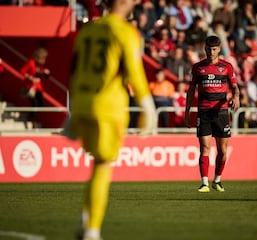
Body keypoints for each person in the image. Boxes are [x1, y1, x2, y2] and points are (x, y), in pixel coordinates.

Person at [64, 0, 156, 239]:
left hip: (83, 102)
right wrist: (147, 106)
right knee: (103, 166)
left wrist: (73, 110)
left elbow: (74, 71)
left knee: (96, 164)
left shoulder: (88, 30)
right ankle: (92, 230)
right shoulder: (126, 32)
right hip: (108, 107)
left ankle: (85, 220)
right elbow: (135, 71)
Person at [184, 35, 240, 193]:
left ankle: (217, 179)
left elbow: (235, 87)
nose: (211, 52)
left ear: (219, 49)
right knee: (205, 147)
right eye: (208, 49)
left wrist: (236, 96)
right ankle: (204, 183)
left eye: (214, 49)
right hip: (204, 112)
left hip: (221, 112)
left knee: (222, 151)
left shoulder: (227, 67)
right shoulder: (198, 68)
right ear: (204, 49)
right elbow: (190, 90)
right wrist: (187, 112)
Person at [20, 47, 50, 127]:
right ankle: (32, 121)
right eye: (42, 58)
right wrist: (31, 78)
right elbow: (22, 71)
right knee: (34, 104)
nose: (43, 60)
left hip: (38, 87)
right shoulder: (31, 62)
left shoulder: (39, 66)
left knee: (41, 104)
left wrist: (45, 72)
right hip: (30, 87)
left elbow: (40, 74)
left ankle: (32, 117)